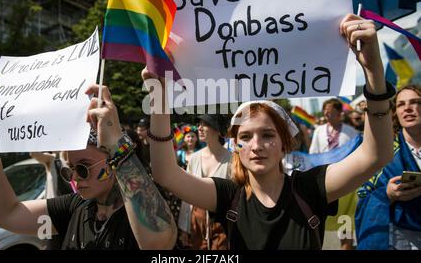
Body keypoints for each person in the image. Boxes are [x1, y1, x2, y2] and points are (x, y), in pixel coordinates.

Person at [143, 13, 394, 249]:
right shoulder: (228, 196)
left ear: (285, 142)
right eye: (245, 136)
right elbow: (165, 173)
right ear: (235, 146)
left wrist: (373, 71)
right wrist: (159, 99)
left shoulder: (309, 188)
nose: (256, 144)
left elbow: (375, 155)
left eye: (267, 134)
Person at [0, 84, 177, 250]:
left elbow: (157, 243)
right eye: (69, 170)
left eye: (83, 168)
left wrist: (116, 144)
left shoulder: (143, 207)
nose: (75, 178)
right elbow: (6, 214)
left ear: (112, 161)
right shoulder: (76, 206)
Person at [355, 84, 421, 249]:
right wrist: (387, 194)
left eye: (415, 102)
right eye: (401, 104)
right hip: (400, 238)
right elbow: (363, 195)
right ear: (395, 112)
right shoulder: (382, 152)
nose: (407, 108)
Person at [309, 98, 359, 249]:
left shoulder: (351, 132)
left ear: (339, 113)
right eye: (325, 111)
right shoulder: (318, 131)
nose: (326, 113)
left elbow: (357, 155)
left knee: (346, 219)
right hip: (324, 181)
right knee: (323, 218)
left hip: (346, 183)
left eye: (330, 111)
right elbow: (313, 154)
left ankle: (347, 246)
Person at [177, 115, 231, 250]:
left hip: (223, 224)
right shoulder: (194, 159)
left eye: (205, 124)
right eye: (199, 124)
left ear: (218, 130)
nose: (199, 128)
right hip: (197, 222)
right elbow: (186, 194)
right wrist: (184, 227)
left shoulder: (233, 160)